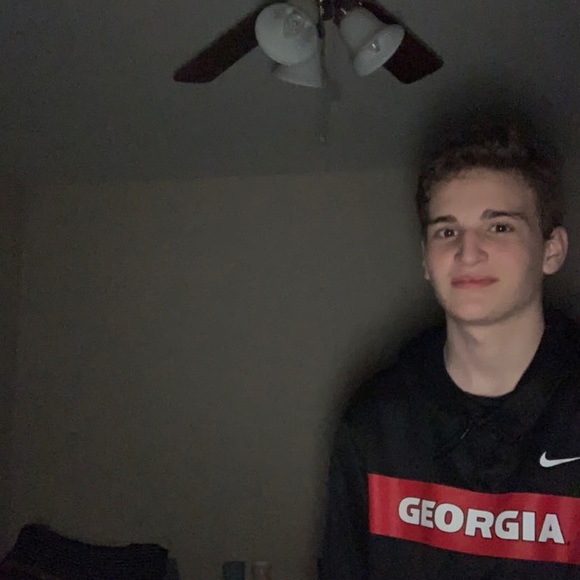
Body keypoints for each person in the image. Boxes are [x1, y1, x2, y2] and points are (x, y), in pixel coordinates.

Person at [320, 119, 580, 579]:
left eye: (499, 226)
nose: (468, 251)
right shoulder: (375, 421)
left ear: (552, 251)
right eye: (446, 231)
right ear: (426, 258)